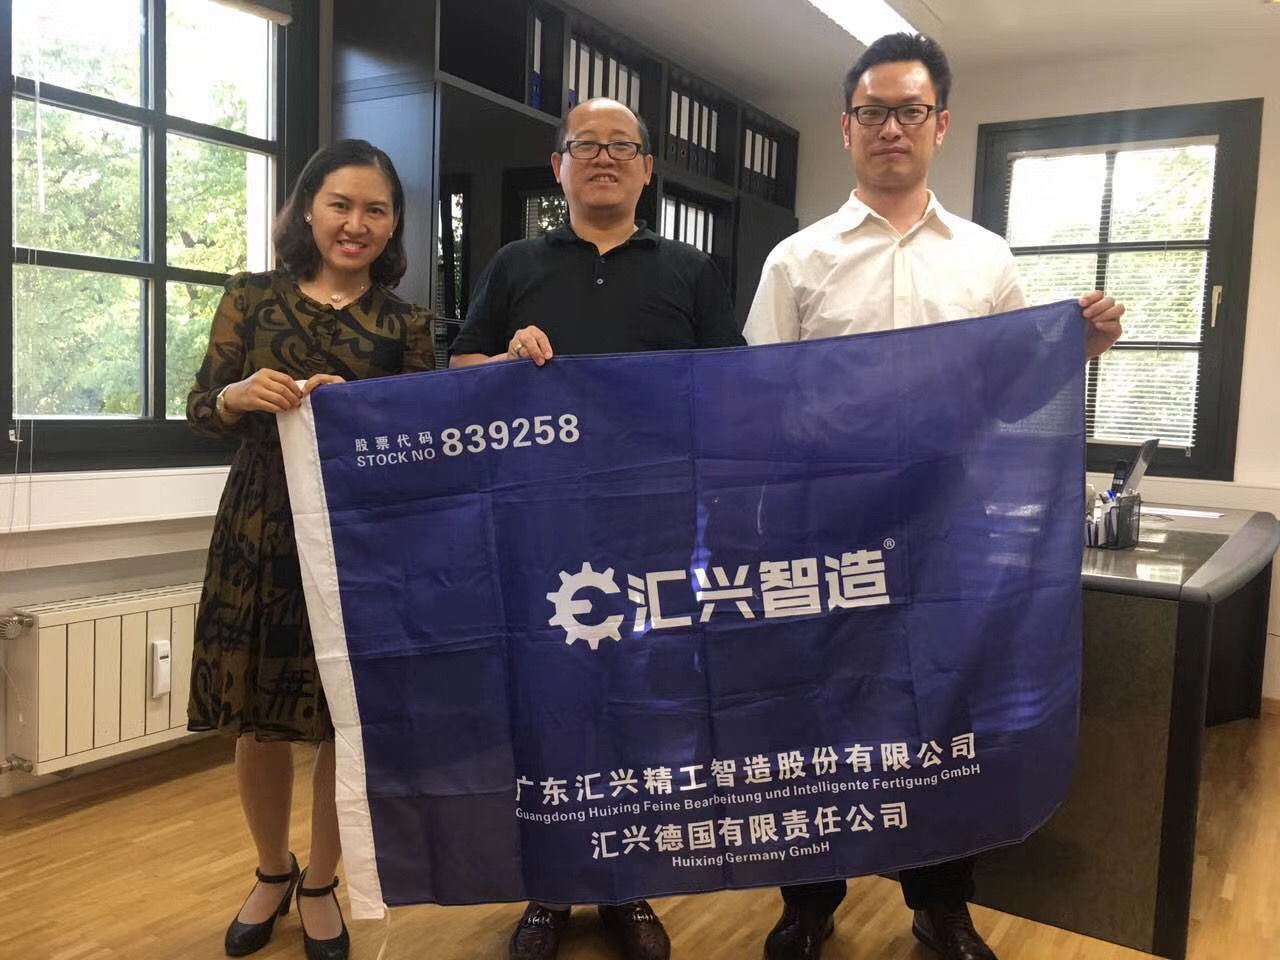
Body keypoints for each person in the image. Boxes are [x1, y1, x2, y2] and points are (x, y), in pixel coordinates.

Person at [743, 34, 1124, 960]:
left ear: (940, 125)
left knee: (944, 709)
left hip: (949, 525)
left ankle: (942, 904)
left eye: (909, 111)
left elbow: (1011, 395)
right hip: (826, 524)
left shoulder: (986, 259)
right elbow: (756, 398)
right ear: (846, 126)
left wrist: (1073, 353)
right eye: (872, 112)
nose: (891, 128)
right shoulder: (798, 259)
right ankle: (809, 902)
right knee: (819, 709)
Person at [450, 97, 744, 960]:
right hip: (541, 526)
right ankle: (548, 888)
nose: (605, 157)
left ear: (647, 168)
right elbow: (462, 367)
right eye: (587, 145)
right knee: (548, 704)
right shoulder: (516, 264)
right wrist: (506, 361)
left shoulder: (690, 270)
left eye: (623, 146)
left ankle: (627, 885)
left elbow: (730, 389)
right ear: (560, 167)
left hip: (655, 527)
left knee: (642, 704)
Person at [186, 139, 436, 960]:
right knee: (257, 720)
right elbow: (199, 407)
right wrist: (237, 393)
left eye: (376, 210)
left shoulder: (406, 325)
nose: (356, 223)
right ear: (307, 209)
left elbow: (422, 441)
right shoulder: (250, 296)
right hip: (259, 526)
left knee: (341, 722)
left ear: (393, 224)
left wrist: (358, 411)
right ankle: (272, 869)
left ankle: (323, 880)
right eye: (341, 204)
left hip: (360, 538)